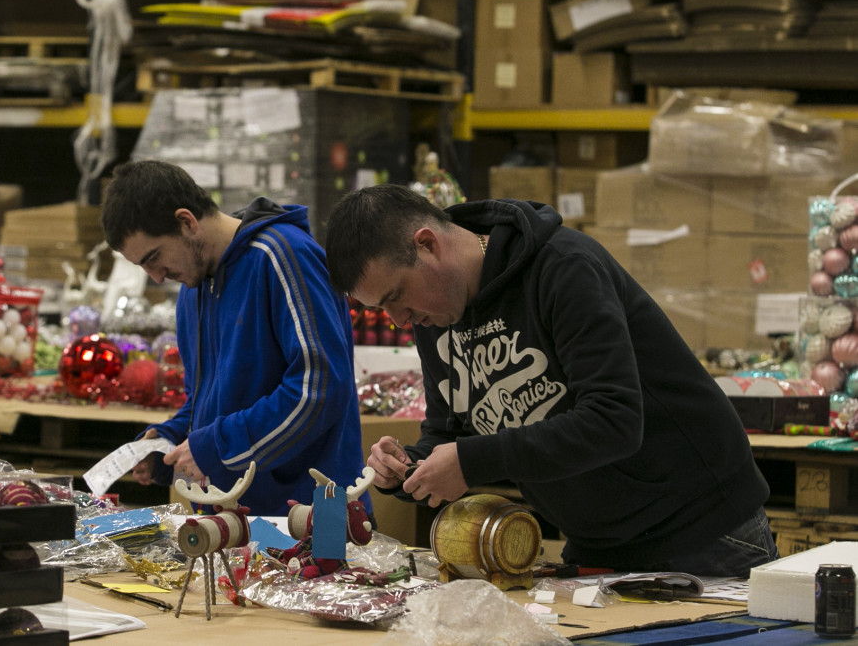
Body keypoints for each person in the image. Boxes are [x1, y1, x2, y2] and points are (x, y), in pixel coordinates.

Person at [323, 184, 775, 577]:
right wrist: (406, 468)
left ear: (427, 245)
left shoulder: (563, 266)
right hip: (599, 542)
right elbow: (451, 430)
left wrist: (471, 461)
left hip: (702, 534)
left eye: (395, 296)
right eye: (381, 309)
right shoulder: (436, 317)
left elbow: (613, 420)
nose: (399, 321)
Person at [100, 160, 368, 516]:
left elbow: (318, 389)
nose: (157, 276)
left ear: (186, 221)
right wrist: (171, 442)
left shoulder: (284, 256)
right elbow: (207, 404)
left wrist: (214, 446)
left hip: (311, 520)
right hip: (231, 521)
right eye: (144, 267)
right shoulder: (192, 289)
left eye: (154, 257)